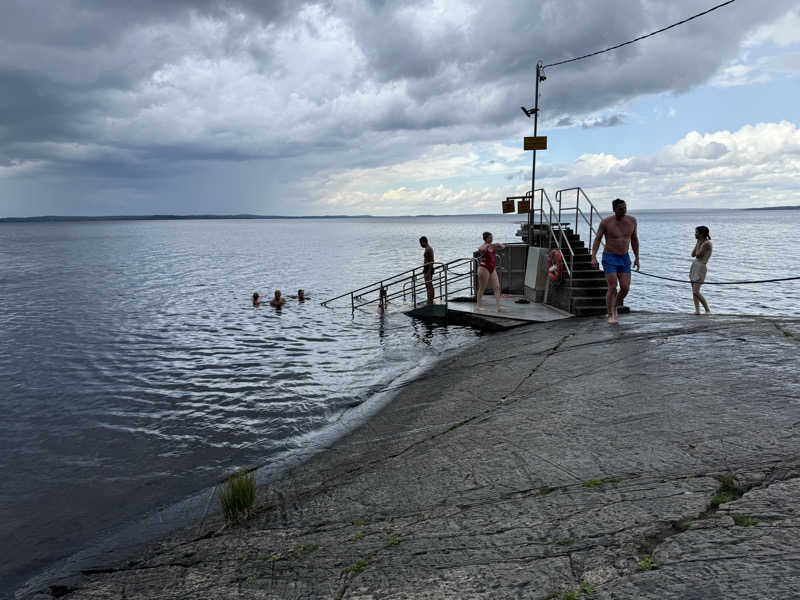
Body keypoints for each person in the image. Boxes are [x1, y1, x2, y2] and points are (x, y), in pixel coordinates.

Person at [591, 198, 640, 324]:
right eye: (620, 209)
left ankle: (614, 306)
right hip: (610, 257)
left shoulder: (632, 221)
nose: (623, 211)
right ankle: (611, 313)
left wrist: (637, 258)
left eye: (625, 208)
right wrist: (594, 256)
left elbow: (634, 240)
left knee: (625, 288)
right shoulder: (606, 222)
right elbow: (597, 239)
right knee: (612, 287)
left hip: (624, 258)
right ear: (614, 210)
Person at [476, 231, 505, 312]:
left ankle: (499, 306)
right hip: (483, 268)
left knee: (497, 287)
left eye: (492, 237)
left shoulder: (493, 246)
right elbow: (480, 249)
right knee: (482, 288)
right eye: (490, 238)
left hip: (492, 268)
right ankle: (478, 306)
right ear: (486, 239)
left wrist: (499, 244)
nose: (491, 239)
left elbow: (503, 247)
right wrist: (487, 245)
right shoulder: (484, 246)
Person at [690, 226, 712, 315]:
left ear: (701, 234)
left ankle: (707, 310)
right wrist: (698, 242)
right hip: (695, 266)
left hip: (701, 268)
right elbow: (692, 254)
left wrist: (698, 243)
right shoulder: (699, 242)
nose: (695, 234)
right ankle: (697, 310)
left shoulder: (707, 244)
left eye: (696, 232)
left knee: (696, 291)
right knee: (693, 291)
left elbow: (698, 255)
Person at [419, 236, 435, 304]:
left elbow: (432, 261)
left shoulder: (429, 249)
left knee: (429, 285)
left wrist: (428, 272)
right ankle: (429, 300)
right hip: (426, 268)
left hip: (428, 269)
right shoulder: (427, 249)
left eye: (421, 243)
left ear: (423, 242)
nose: (420, 245)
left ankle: (430, 301)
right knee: (428, 285)